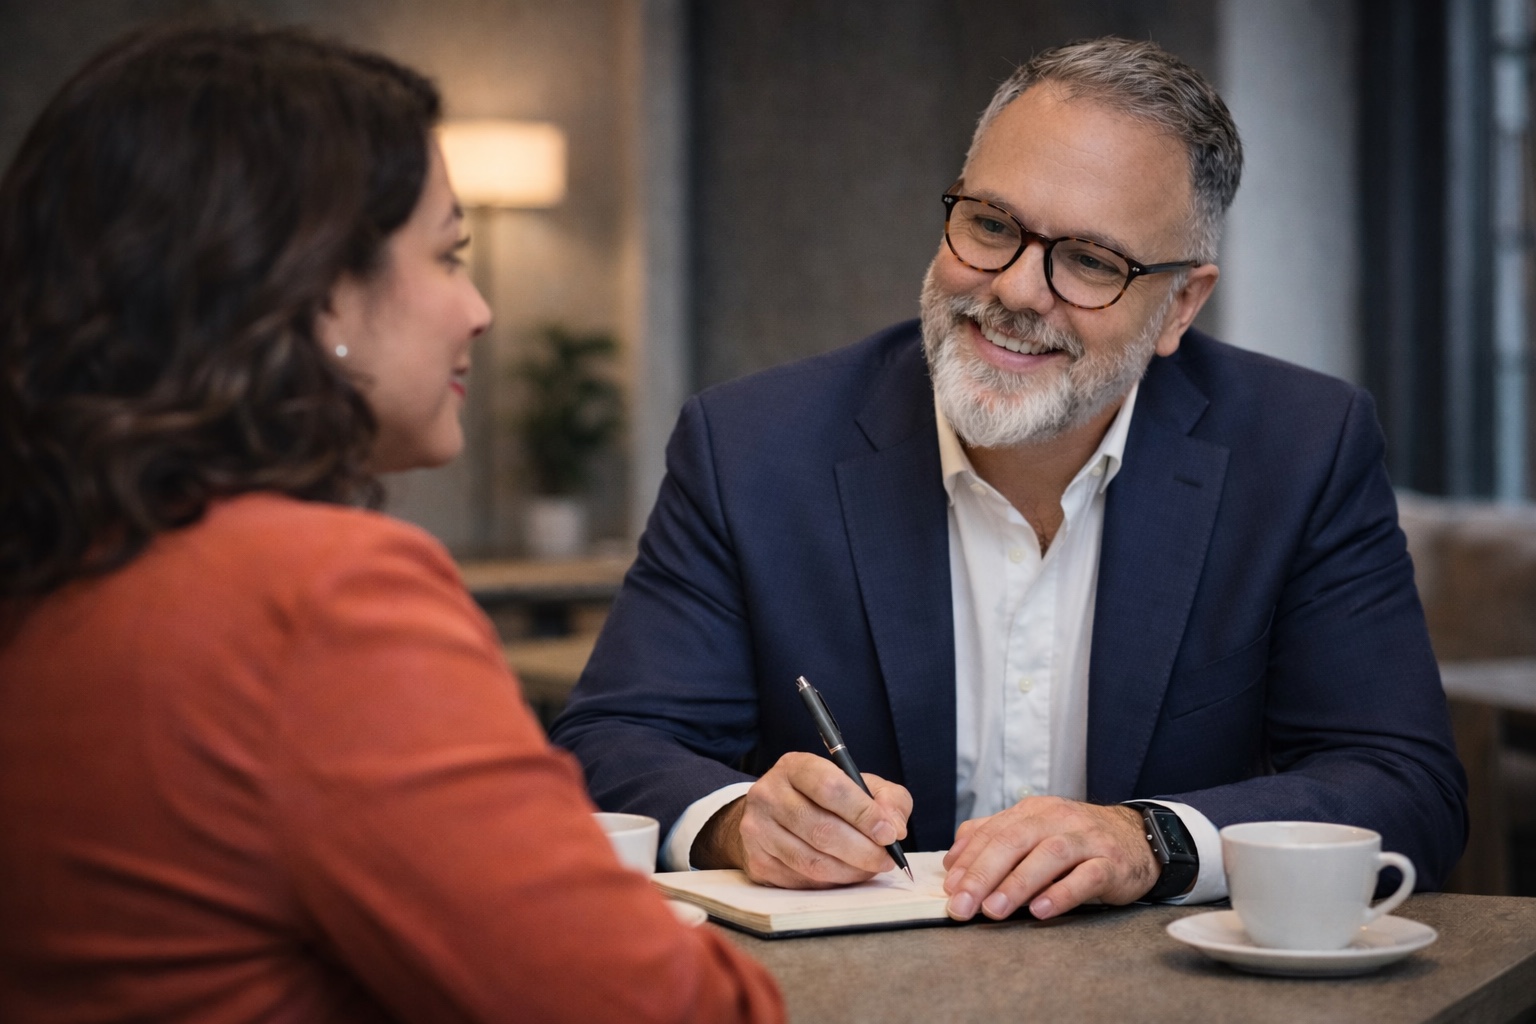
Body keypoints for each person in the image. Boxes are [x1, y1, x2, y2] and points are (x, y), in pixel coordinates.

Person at [550, 37, 1468, 923]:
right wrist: (740, 822)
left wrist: (1152, 843)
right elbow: (611, 746)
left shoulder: (1302, 449)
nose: (1020, 291)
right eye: (991, 225)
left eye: (1091, 262)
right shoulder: (752, 446)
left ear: (1180, 303)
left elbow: (1403, 786)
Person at [0, 23, 782, 1023]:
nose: (481, 310)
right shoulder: (318, 600)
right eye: (450, 255)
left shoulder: (68, 562)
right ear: (319, 289)